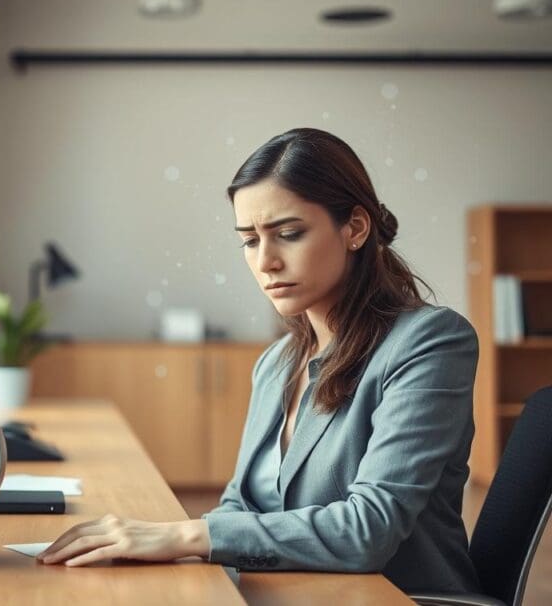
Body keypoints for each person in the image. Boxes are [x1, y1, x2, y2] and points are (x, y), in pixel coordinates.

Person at [39, 128, 482, 595]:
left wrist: (183, 534)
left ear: (354, 227)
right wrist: (164, 543)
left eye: (289, 234)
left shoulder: (430, 342)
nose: (265, 261)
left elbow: (368, 529)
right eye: (249, 241)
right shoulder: (275, 364)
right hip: (293, 591)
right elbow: (240, 504)